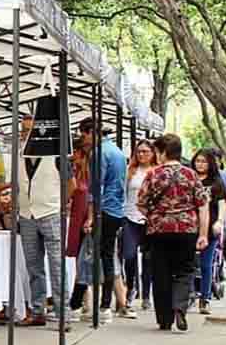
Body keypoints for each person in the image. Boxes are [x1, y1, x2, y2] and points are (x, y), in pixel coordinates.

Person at [137, 134, 209, 332]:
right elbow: (202, 206)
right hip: (187, 230)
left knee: (161, 273)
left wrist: (155, 216)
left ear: (163, 152)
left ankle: (164, 318)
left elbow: (141, 203)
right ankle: (180, 307)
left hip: (159, 230)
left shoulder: (153, 174)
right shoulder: (191, 175)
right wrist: (203, 234)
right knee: (185, 270)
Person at [16, 123, 73, 328]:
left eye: (29, 131)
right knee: (33, 266)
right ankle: (38, 310)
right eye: (23, 131)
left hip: (51, 213)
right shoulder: (19, 154)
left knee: (57, 265)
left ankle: (63, 313)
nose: (25, 135)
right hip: (26, 214)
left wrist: (60, 204)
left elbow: (71, 184)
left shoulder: (57, 154)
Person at [75, 119, 130, 323]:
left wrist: (90, 216)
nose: (83, 139)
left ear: (91, 132)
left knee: (97, 257)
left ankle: (101, 304)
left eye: (84, 134)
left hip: (104, 210)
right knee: (106, 256)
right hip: (115, 211)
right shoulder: (116, 151)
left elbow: (95, 188)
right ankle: (105, 304)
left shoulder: (98, 153)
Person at [190, 149, 226, 315]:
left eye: (204, 161)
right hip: (189, 227)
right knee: (188, 264)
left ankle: (205, 298)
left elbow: (222, 204)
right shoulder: (189, 178)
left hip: (209, 228)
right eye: (198, 161)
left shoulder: (216, 182)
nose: (200, 164)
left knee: (205, 265)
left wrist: (219, 221)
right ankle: (189, 295)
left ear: (211, 163)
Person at [123, 140, 157, 311]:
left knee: (148, 258)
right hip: (130, 217)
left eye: (146, 151)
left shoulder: (157, 171)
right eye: (139, 152)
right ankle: (131, 287)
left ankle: (146, 295)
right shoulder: (130, 171)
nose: (142, 155)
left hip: (149, 219)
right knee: (129, 256)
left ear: (153, 153)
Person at [68, 139, 94, 321]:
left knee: (82, 260)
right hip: (77, 219)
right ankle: (84, 302)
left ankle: (78, 302)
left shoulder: (87, 174)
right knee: (79, 260)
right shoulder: (77, 172)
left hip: (83, 220)